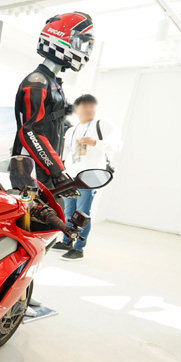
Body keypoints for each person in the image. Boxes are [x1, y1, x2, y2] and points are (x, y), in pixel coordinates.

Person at [12, 12, 95, 189]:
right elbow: (30, 131)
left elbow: (53, 126)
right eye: (80, 43)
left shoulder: (52, 83)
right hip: (31, 173)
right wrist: (57, 171)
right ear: (61, 38)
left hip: (44, 172)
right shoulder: (37, 82)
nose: (85, 51)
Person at [53, 94, 121, 261]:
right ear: (77, 109)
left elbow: (116, 145)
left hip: (90, 178)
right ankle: (67, 241)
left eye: (91, 106)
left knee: (82, 213)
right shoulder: (71, 130)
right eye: (84, 106)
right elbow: (66, 153)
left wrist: (96, 143)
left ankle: (78, 248)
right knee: (69, 211)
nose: (88, 109)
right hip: (71, 177)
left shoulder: (102, 125)